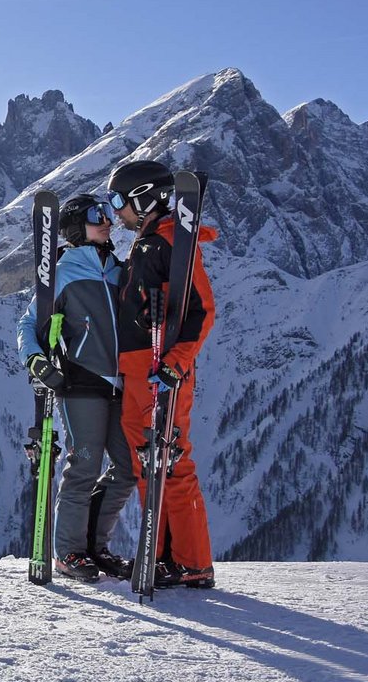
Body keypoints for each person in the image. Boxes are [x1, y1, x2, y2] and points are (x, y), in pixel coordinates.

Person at [107, 159, 218, 589]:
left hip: (162, 372)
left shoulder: (173, 244)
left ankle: (193, 562)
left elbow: (202, 311)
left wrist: (174, 365)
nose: (116, 211)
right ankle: (163, 554)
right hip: (137, 373)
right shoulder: (148, 243)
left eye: (120, 201)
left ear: (143, 198)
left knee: (171, 463)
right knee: (146, 465)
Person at [16, 194, 137, 582]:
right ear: (72, 228)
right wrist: (36, 361)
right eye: (95, 216)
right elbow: (28, 326)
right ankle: (69, 552)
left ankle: (94, 546)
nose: (107, 221)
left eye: (106, 214)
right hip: (82, 380)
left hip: (123, 382)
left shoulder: (120, 270)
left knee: (129, 467)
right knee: (84, 465)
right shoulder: (61, 275)